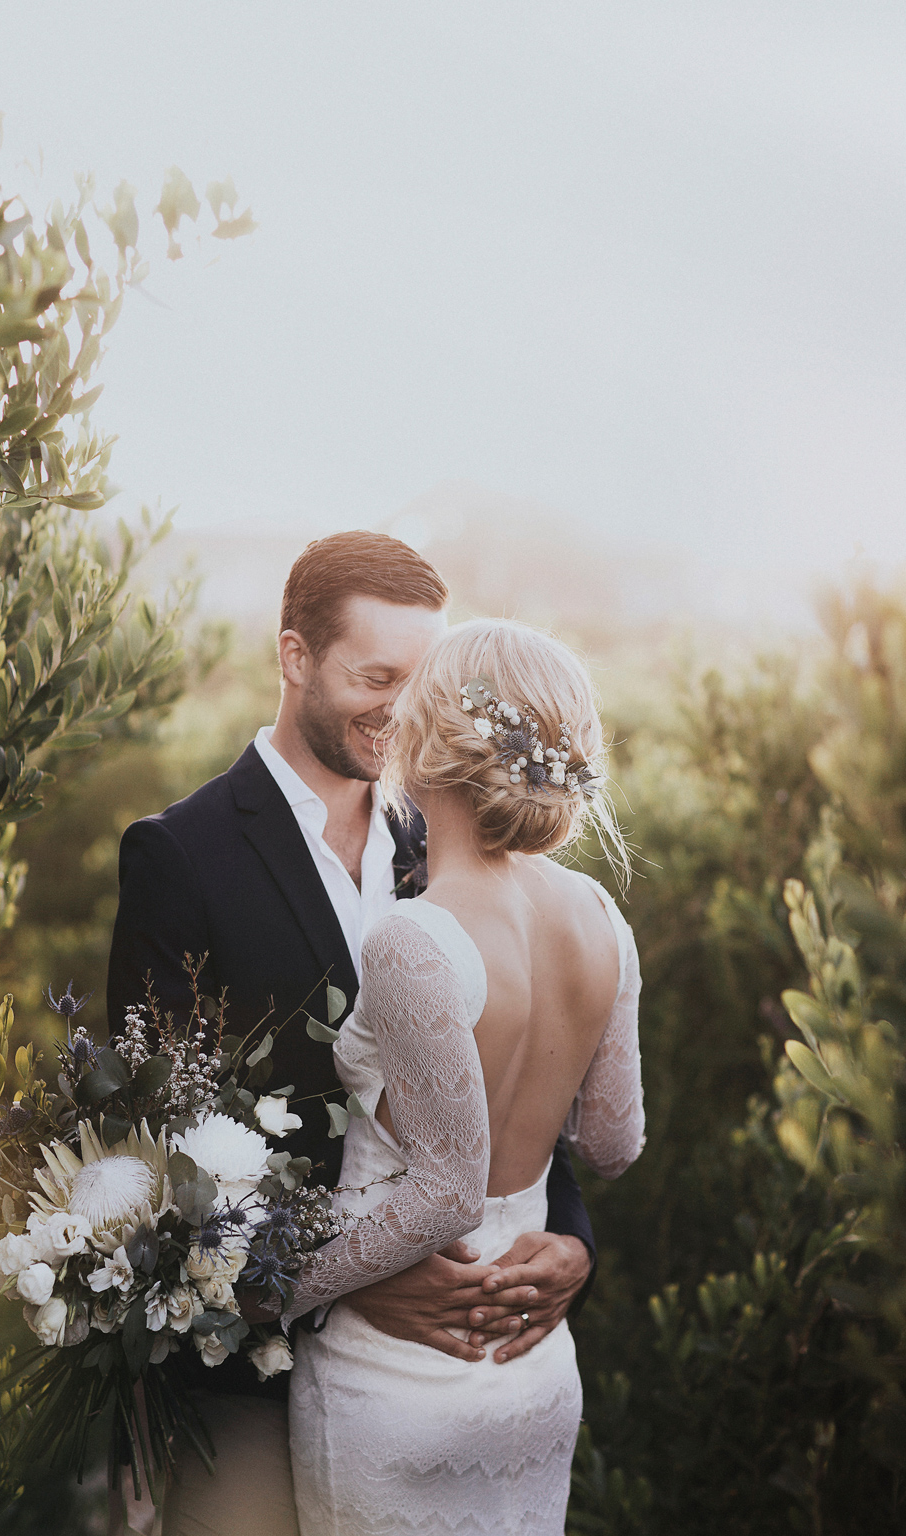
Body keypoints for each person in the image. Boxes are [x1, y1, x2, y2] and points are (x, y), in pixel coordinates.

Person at [107, 532, 598, 1535]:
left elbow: (515, 1069)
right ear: (294, 658)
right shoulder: (179, 857)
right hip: (250, 1380)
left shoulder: (456, 842)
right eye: (375, 678)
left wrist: (571, 1243)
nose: (405, 711)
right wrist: (345, 1294)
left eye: (423, 682)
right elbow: (157, 1149)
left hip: (450, 1377)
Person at [283, 617, 644, 1535]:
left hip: (399, 1380)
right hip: (532, 1363)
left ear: (428, 741)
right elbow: (613, 1143)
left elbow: (445, 1196)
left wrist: (267, 1287)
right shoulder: (600, 915)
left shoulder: (417, 937)